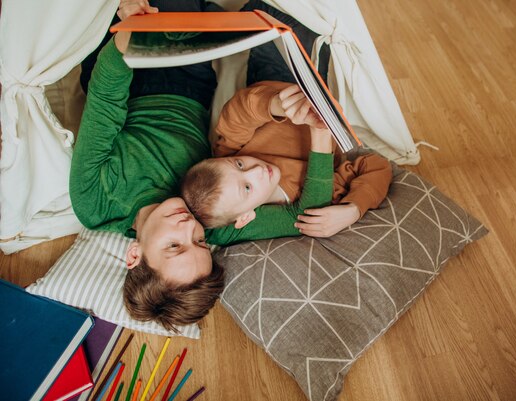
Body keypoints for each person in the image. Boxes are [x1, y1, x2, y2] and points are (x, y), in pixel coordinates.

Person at [69, 0, 330, 331]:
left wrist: (129, 38)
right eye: (200, 242)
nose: (188, 228)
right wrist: (320, 130)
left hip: (124, 75)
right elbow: (304, 216)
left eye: (174, 245)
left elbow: (105, 103)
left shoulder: (94, 203)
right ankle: (202, 15)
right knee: (193, 15)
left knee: (153, 14)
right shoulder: (208, 218)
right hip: (189, 81)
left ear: (134, 255)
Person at [182, 80, 393, 238]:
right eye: (247, 187)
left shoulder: (227, 157)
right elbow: (377, 166)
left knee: (272, 32)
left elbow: (238, 112)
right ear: (246, 217)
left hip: (279, 91)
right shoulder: (310, 196)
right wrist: (354, 208)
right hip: (311, 87)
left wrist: (278, 105)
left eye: (240, 165)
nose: (256, 170)